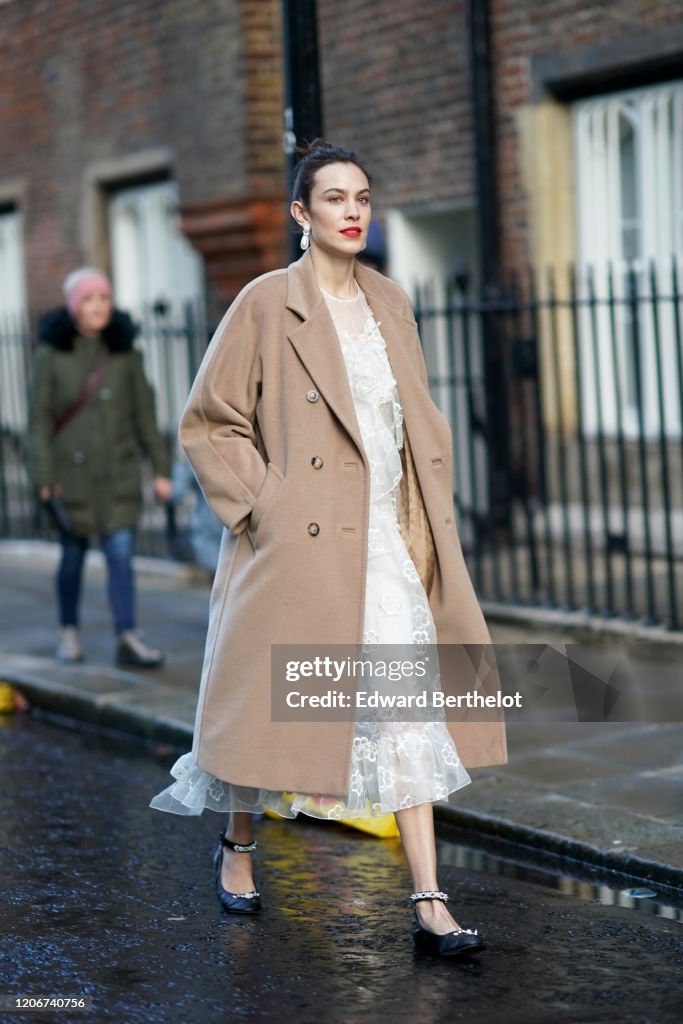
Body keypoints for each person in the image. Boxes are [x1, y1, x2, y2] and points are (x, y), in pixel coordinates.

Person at [150, 142, 507, 957]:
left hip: (383, 540)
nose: (353, 211)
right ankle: (238, 843)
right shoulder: (265, 302)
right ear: (301, 214)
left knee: (407, 710)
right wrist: (264, 509)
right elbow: (210, 421)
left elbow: (407, 422)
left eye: (364, 199)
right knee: (268, 709)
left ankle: (427, 899)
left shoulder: (389, 301)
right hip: (297, 546)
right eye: (335, 198)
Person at [30, 267, 172, 667]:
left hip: (119, 477)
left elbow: (146, 415)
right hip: (70, 480)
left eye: (104, 299)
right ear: (75, 306)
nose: (98, 307)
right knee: (72, 558)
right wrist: (43, 475)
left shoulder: (125, 354)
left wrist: (160, 468)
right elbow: (38, 420)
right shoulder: (51, 355)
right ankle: (68, 631)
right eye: (89, 299)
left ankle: (128, 636)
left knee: (122, 556)